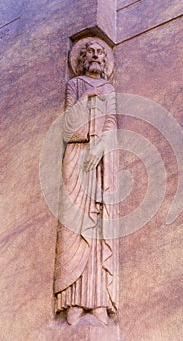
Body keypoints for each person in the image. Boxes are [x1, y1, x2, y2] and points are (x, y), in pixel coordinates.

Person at [54, 40, 119, 326]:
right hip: (77, 157)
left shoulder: (110, 90)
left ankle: (99, 300)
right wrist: (87, 98)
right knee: (74, 226)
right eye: (89, 51)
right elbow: (67, 126)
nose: (95, 55)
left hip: (100, 161)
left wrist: (100, 147)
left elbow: (111, 124)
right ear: (81, 59)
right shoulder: (75, 85)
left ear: (105, 60)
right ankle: (72, 299)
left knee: (99, 228)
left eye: (100, 52)